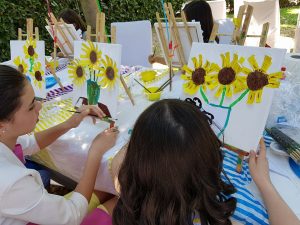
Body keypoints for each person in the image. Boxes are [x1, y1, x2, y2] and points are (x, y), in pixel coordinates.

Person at [112, 99, 300, 225]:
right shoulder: (225, 217)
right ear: (209, 161)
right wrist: (265, 183)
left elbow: (117, 163)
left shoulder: (130, 194)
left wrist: (150, 140)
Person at [0, 65, 118, 225]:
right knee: (120, 204)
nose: (40, 106)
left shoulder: (6, 138)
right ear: (2, 126)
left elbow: (31, 143)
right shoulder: (11, 183)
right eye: (31, 106)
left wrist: (68, 124)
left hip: (33, 210)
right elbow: (72, 215)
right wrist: (95, 153)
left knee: (103, 188)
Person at [149, 0, 218, 65]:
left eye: (186, 21)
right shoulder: (188, 40)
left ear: (198, 23)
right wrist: (156, 59)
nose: (184, 25)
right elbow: (177, 60)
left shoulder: (211, 45)